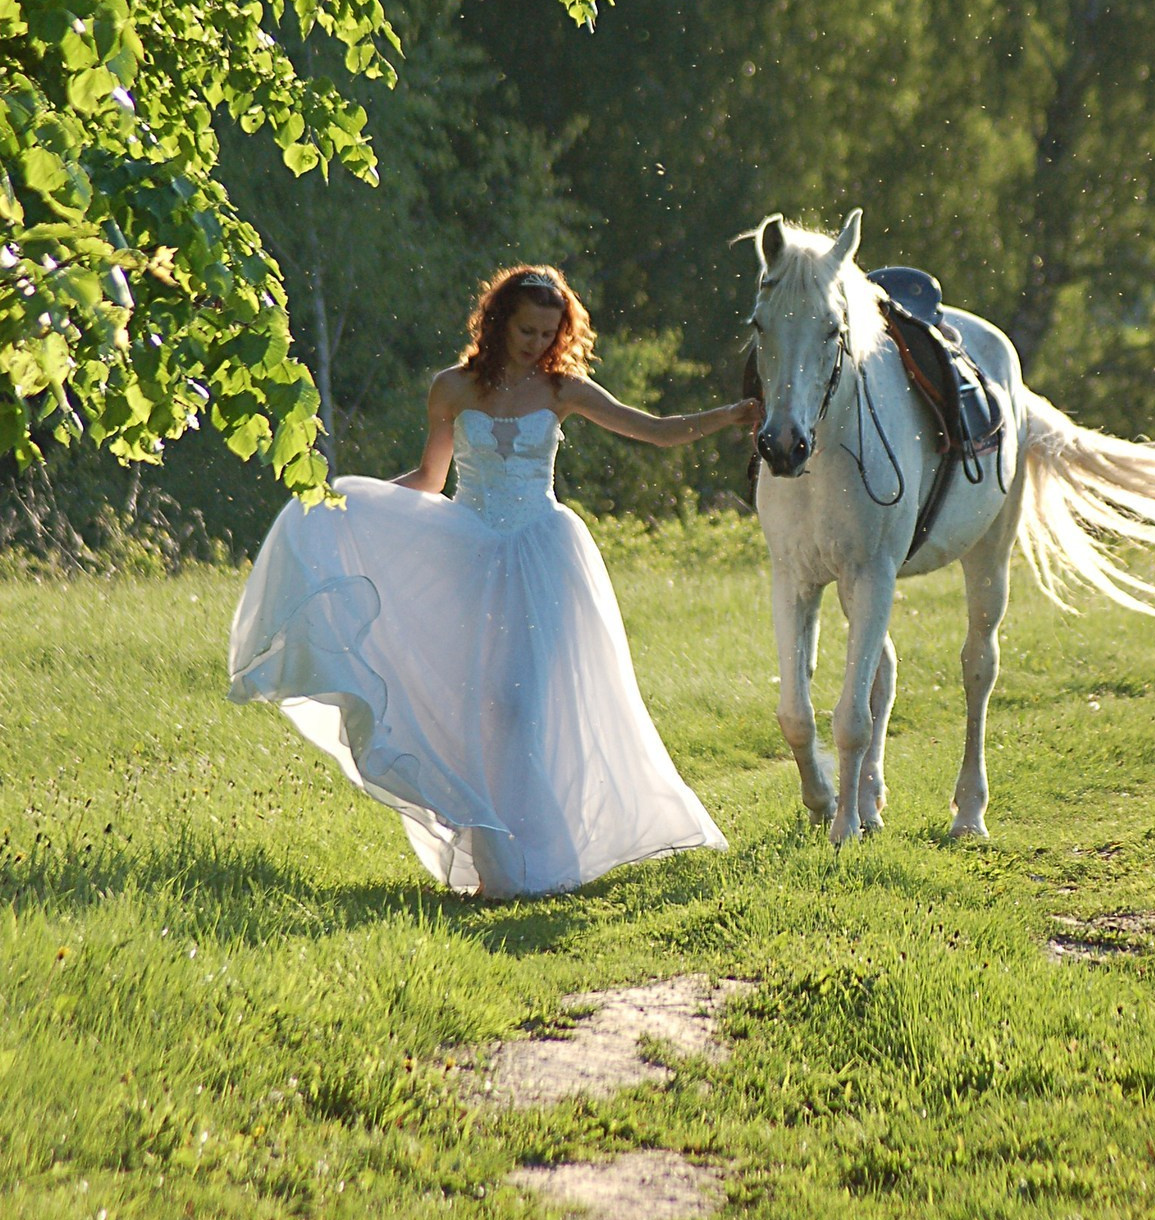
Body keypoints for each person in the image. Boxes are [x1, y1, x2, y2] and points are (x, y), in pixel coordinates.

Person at [228, 265, 761, 899]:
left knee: (519, 707)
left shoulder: (563, 389)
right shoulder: (451, 388)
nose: (537, 343)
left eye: (549, 332)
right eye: (527, 329)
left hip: (542, 555)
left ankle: (541, 859)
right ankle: (497, 868)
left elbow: (655, 429)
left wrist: (730, 415)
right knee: (476, 708)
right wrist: (343, 506)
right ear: (499, 322)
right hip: (468, 555)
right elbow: (430, 480)